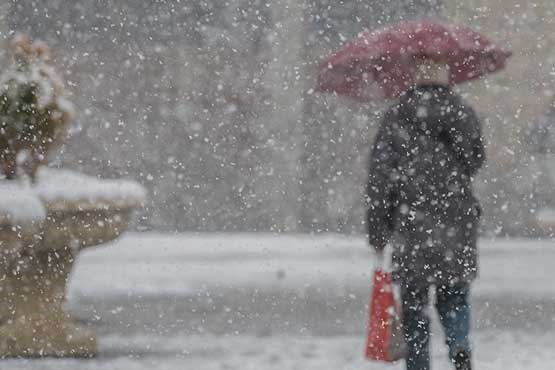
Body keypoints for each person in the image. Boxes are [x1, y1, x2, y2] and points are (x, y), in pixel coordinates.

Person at [365, 61, 485, 370]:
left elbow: (380, 178)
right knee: (454, 296)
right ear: (446, 75)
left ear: (414, 76)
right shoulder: (462, 113)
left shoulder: (397, 115)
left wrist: (378, 230)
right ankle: (459, 346)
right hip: (456, 221)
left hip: (411, 224)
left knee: (415, 308)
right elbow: (475, 160)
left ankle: (419, 365)